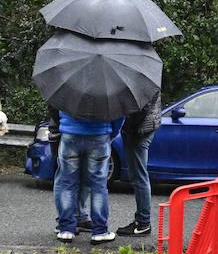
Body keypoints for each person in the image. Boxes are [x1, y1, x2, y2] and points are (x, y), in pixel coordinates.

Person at [53, 110, 123, 243]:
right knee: (98, 186)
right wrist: (111, 133)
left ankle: (66, 230)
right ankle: (100, 231)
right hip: (99, 134)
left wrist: (65, 125)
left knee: (67, 183)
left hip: (70, 133)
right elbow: (119, 115)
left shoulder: (70, 88)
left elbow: (57, 106)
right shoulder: (109, 89)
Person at [115, 89, 160, 237]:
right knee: (139, 176)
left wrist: (127, 128)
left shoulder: (141, 82)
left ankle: (143, 222)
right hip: (147, 126)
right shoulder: (147, 74)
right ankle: (142, 220)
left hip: (139, 131)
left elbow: (141, 108)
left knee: (139, 177)